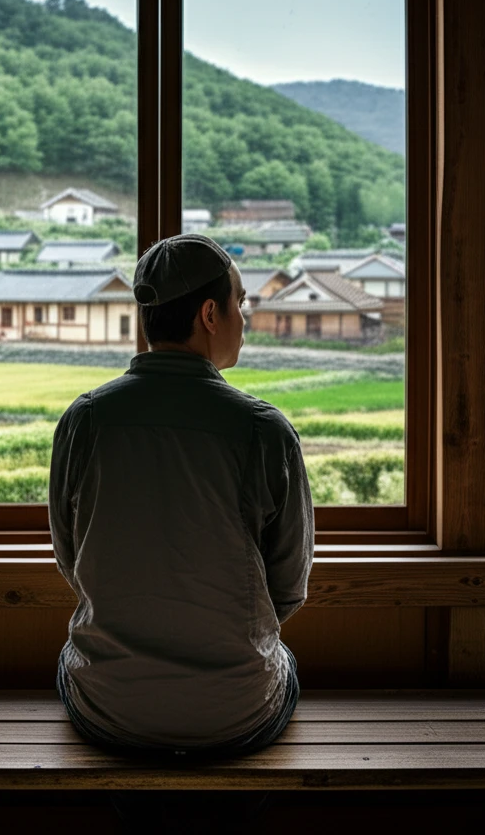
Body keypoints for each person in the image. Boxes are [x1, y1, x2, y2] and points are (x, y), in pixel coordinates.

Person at [49, 233, 314, 762]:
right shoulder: (264, 430)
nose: (245, 316)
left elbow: (71, 559)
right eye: (240, 302)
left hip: (110, 706)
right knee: (278, 668)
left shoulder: (86, 420)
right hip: (237, 710)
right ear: (210, 314)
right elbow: (288, 587)